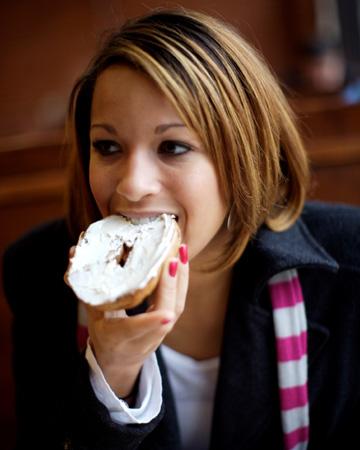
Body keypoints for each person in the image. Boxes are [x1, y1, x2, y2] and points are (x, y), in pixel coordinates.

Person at [3, 8, 360, 450]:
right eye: (107, 146)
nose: (132, 185)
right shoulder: (37, 273)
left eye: (173, 147)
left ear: (243, 156)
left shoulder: (349, 266)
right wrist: (111, 374)